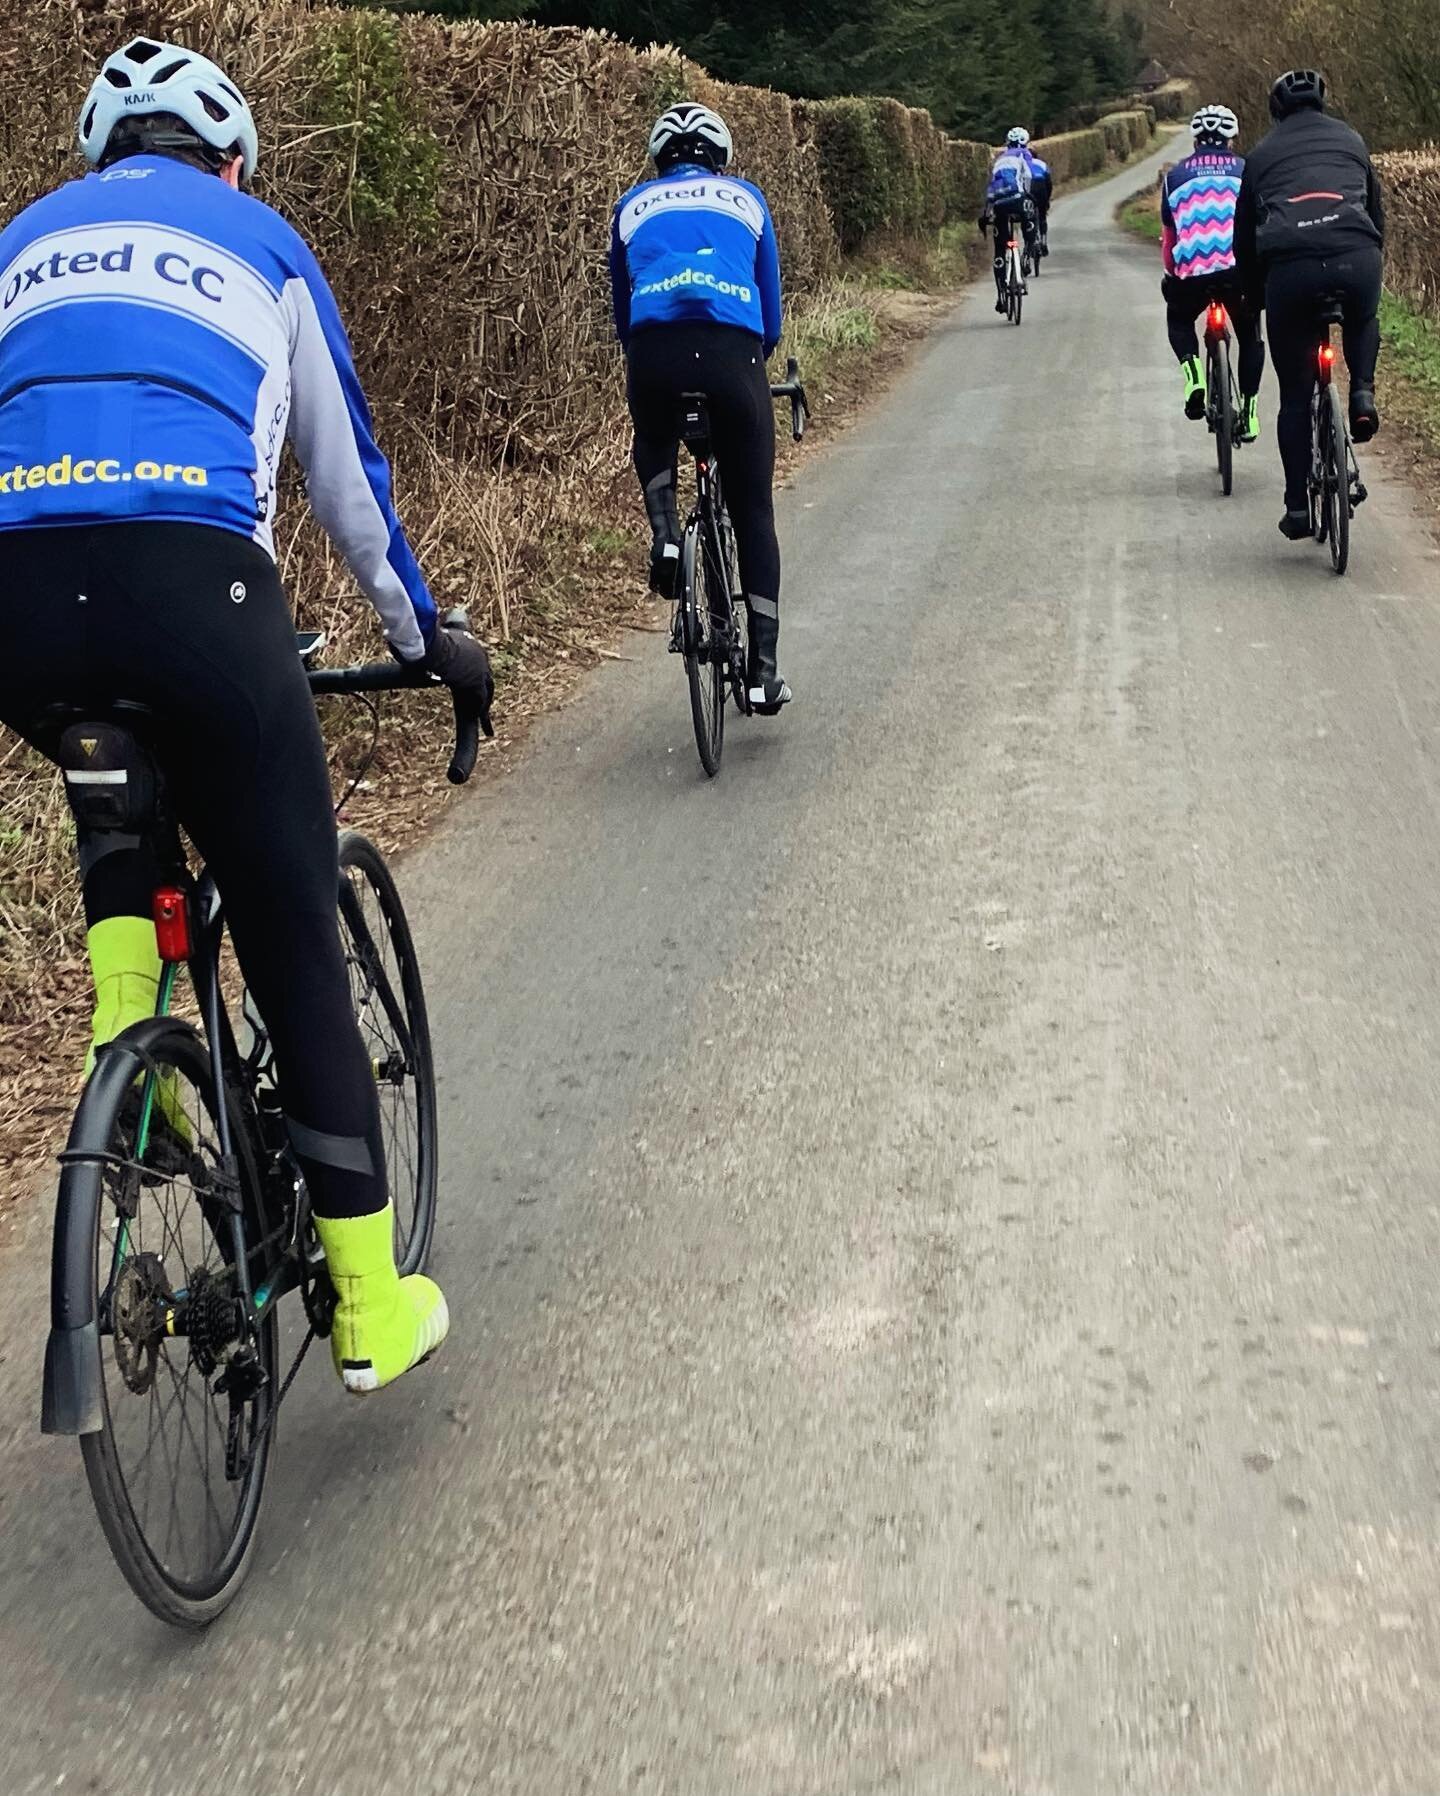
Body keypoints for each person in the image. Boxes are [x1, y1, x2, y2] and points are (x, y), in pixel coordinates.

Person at [0, 38, 495, 1392]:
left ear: (97, 160)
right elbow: (347, 486)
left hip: (19, 600)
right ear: (230, 161)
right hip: (200, 592)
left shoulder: (18, 245)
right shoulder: (261, 240)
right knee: (286, 920)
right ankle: (374, 1306)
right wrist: (422, 636)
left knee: (109, 768)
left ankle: (133, 1042)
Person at [610, 103, 790, 713]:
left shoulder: (630, 207)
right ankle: (763, 672)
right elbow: (770, 313)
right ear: (720, 157)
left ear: (660, 160)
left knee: (654, 429)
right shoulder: (748, 200)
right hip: (731, 355)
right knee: (753, 510)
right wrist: (755, 358)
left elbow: (621, 312)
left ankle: (664, 536)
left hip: (655, 351)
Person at [1234, 69, 1384, 540]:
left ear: (1276, 110)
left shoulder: (1259, 157)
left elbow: (1244, 241)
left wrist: (1254, 296)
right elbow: (1376, 214)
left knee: (1296, 397)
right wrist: (1368, 262)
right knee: (1363, 317)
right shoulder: (1353, 140)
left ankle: (1298, 506)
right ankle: (1361, 393)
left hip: (1291, 273)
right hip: (1356, 258)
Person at [1160, 105, 1265, 442]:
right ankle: (1249, 415)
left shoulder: (1174, 177)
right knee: (1250, 336)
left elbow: (1169, 239)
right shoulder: (1248, 170)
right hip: (1238, 270)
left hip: (1193, 272)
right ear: (1230, 139)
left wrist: (1174, 274)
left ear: (1195, 141)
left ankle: (1194, 378)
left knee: (1178, 319)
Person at [982, 129, 1039, 312]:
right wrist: (1028, 196)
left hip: (1000, 206)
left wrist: (988, 213)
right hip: (1019, 200)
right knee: (1031, 222)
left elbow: (992, 188)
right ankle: (1026, 257)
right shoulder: (1025, 155)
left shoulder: (999, 160)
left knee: (1000, 249)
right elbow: (1028, 177)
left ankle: (1000, 296)